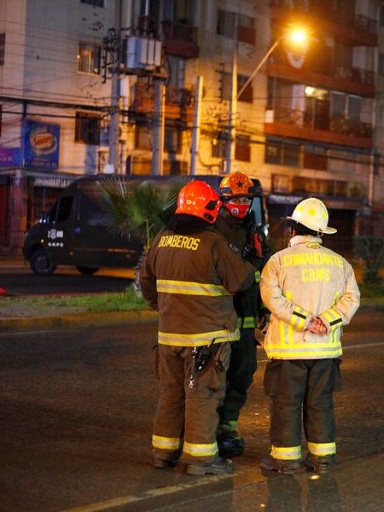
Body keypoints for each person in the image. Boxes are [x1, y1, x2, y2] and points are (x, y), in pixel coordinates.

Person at [139, 180, 254, 476]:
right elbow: (240, 280)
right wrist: (252, 261)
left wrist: (163, 309)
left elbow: (146, 282)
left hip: (169, 337)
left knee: (171, 393)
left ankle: (163, 452)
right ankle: (200, 459)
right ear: (209, 209)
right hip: (206, 339)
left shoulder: (162, 239)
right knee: (202, 395)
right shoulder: (212, 242)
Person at [258, 197, 361, 474]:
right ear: (320, 232)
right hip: (325, 351)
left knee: (286, 404)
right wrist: (326, 322)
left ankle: (286, 460)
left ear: (293, 229)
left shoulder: (278, 261)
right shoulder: (340, 263)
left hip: (288, 352)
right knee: (321, 403)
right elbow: (352, 299)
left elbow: (272, 299)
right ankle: (322, 458)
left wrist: (304, 321)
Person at [213, 171, 269, 457]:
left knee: (243, 373)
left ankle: (228, 428)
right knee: (214, 376)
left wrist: (264, 308)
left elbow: (263, 274)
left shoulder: (253, 232)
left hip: (245, 320)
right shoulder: (212, 231)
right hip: (217, 319)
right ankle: (206, 428)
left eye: (246, 199)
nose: (241, 204)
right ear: (223, 200)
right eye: (236, 199)